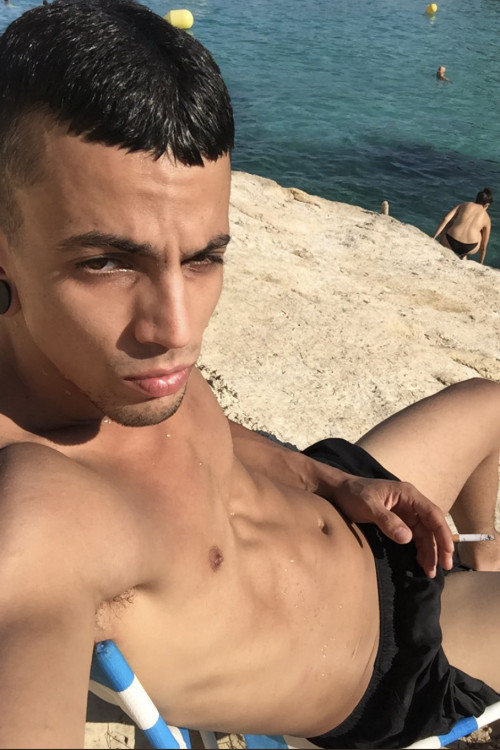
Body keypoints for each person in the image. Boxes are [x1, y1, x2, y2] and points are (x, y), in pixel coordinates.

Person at [0, 2, 499, 748]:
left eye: (205, 257)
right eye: (106, 262)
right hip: (394, 659)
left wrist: (330, 480)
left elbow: (202, 442)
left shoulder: (109, 371)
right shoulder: (39, 519)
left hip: (352, 504)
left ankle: (482, 552)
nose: (177, 331)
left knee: (490, 403)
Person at [433, 188, 493, 263]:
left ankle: (455, 250)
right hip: (469, 248)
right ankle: (464, 255)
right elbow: (483, 247)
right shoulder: (487, 218)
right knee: (480, 232)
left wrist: (434, 237)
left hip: (449, 241)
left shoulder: (464, 205)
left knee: (450, 222)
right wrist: (480, 263)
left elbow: (446, 219)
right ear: (487, 205)